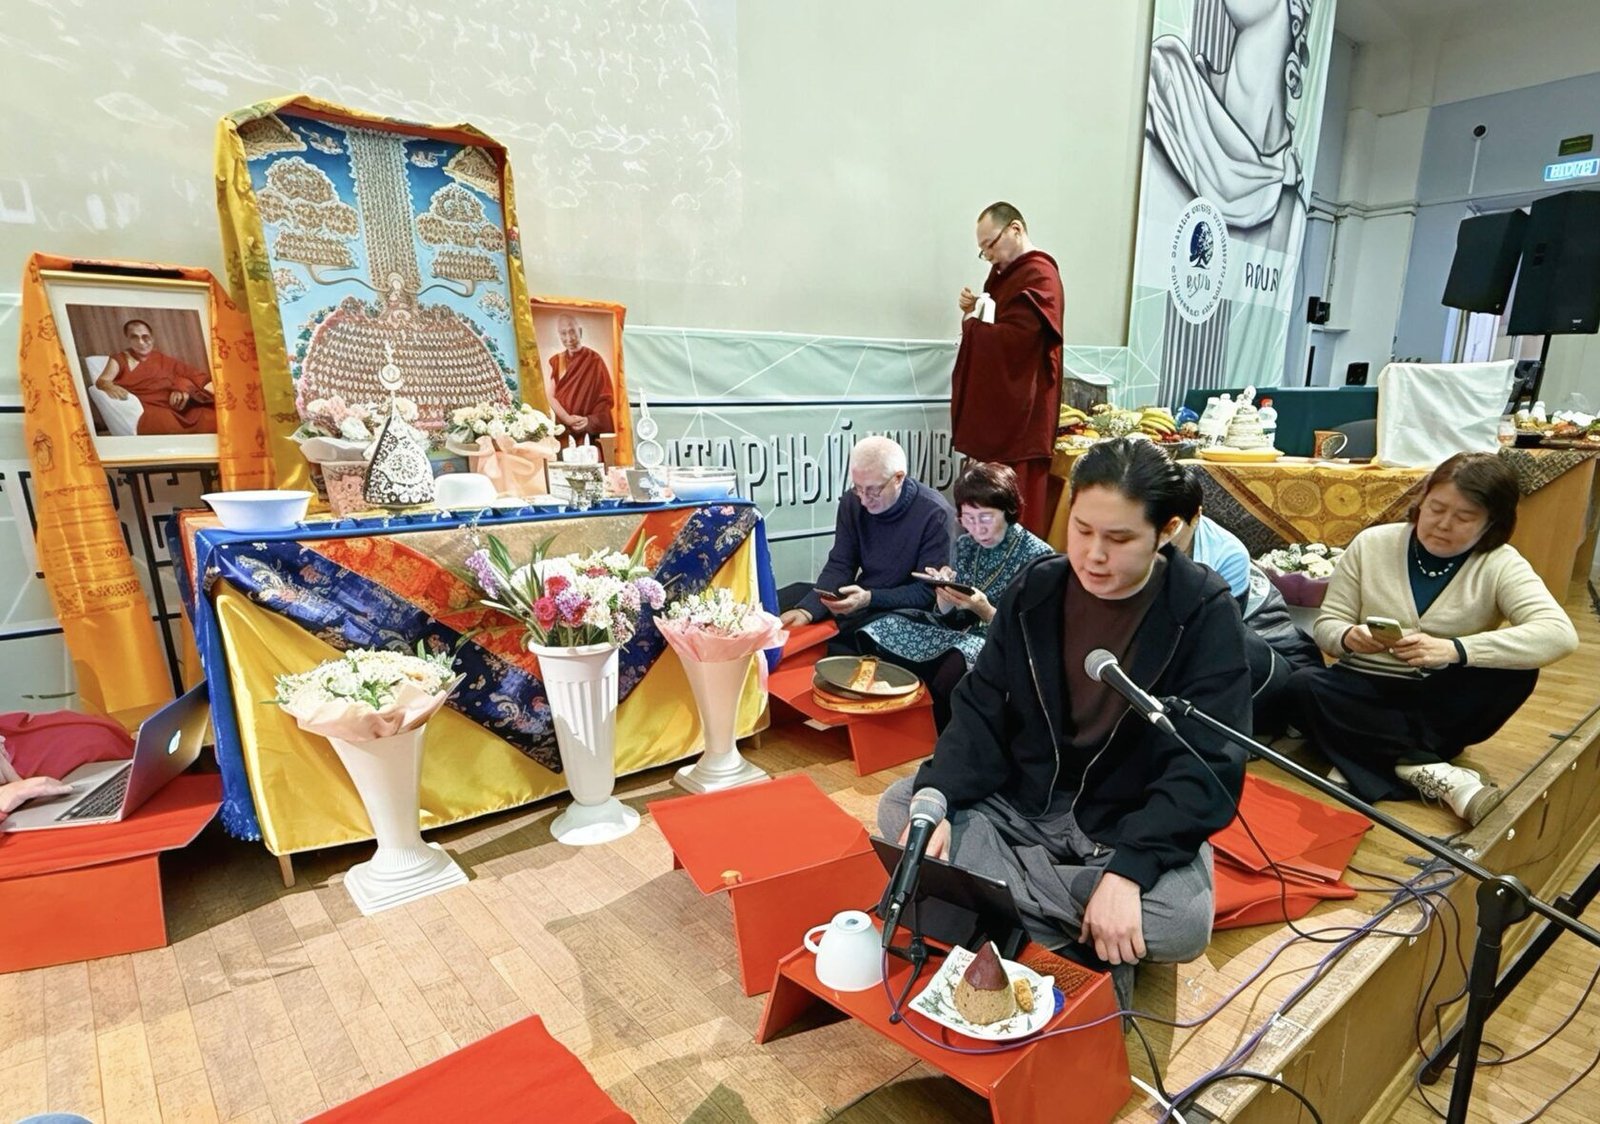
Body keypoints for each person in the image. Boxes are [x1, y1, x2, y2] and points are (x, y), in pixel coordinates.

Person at [877, 438, 1249, 1006]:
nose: (1094, 555)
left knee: (1181, 921)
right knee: (905, 808)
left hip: (1124, 819)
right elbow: (981, 706)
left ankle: (1009, 909)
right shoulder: (1038, 588)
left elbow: (1209, 761)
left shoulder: (1201, 609)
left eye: (1119, 539)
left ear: (1166, 531)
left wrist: (1130, 871)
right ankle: (1080, 928)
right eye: (1082, 530)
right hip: (1025, 801)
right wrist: (942, 794)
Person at [1285, 452, 1579, 825]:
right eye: (1436, 508)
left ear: (1492, 522)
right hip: (1364, 688)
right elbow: (1328, 624)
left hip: (1440, 702)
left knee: (1517, 670)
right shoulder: (1373, 543)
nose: (1443, 524)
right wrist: (1348, 636)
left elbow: (1559, 634)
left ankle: (1361, 753)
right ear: (1421, 500)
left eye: (1464, 517)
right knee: (1302, 685)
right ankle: (1430, 771)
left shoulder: (1500, 563)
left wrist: (1455, 649)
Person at [858, 462, 1053, 729]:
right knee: (881, 628)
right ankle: (889, 723)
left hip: (1004, 641)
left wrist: (985, 610)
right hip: (959, 631)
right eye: (968, 519)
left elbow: (1034, 634)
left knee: (956, 662)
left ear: (1008, 510)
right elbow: (949, 618)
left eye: (985, 518)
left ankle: (936, 736)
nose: (977, 529)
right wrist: (944, 594)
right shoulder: (966, 545)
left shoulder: (1038, 557)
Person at [1170, 467, 1319, 734]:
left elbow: (1220, 640)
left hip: (1254, 639)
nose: (1161, 535)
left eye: (1172, 526)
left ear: (1197, 516)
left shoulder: (1227, 553)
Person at [948, 202, 1064, 537]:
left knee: (1016, 522)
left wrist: (972, 327)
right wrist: (976, 307)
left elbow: (1019, 340)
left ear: (1015, 229)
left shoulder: (1040, 274)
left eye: (991, 244)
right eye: (983, 250)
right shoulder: (1003, 274)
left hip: (1023, 421)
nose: (988, 255)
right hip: (1001, 412)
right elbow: (999, 319)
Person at [778, 436, 954, 651]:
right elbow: (841, 564)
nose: (864, 499)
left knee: (865, 635)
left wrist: (870, 598)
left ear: (898, 478)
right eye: (858, 488)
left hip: (903, 608)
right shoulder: (852, 502)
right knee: (782, 600)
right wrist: (809, 609)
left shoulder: (935, 513)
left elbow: (927, 592)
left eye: (873, 490)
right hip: (862, 594)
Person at [93, 319, 216, 435]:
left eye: (145, 337)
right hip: (150, 406)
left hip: (176, 405)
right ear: (128, 340)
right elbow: (103, 380)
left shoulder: (160, 358)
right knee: (166, 424)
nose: (141, 342)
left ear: (152, 338)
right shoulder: (120, 359)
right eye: (134, 337)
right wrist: (109, 386)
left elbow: (190, 373)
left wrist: (181, 388)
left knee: (208, 416)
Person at [544, 314, 615, 439]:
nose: (569, 338)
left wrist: (589, 421)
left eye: (572, 331)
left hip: (588, 430)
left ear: (580, 332)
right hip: (563, 427)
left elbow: (604, 399)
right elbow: (550, 396)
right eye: (563, 333)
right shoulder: (557, 361)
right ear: (559, 335)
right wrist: (567, 419)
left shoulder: (594, 360)